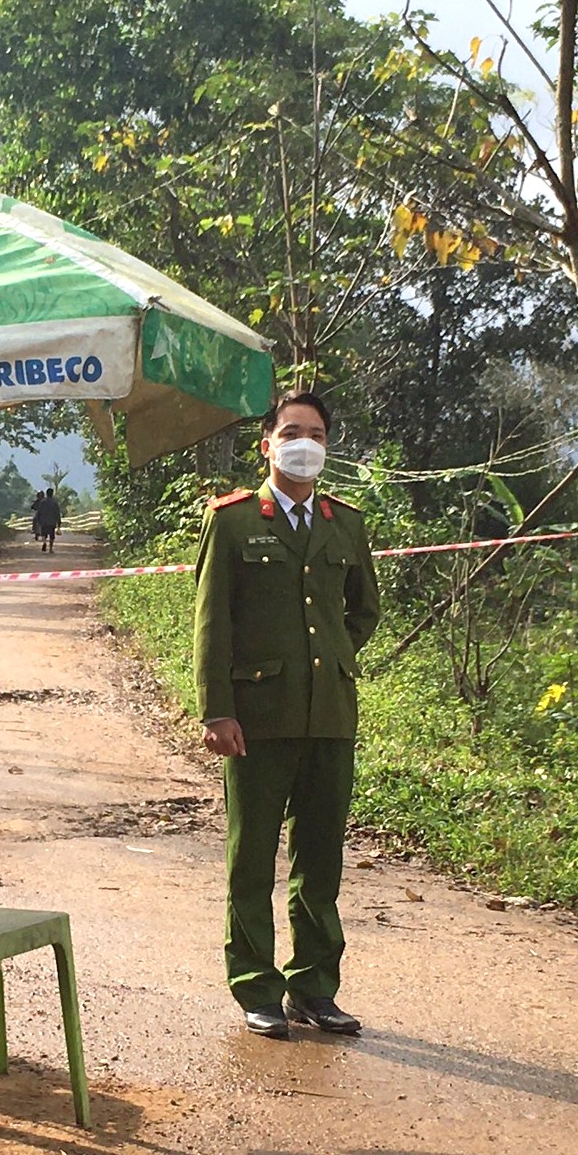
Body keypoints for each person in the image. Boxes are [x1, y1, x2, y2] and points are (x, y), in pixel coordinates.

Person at [193, 390, 381, 1039]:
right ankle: (256, 986)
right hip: (256, 719)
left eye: (317, 434)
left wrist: (330, 660)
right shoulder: (233, 521)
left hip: (329, 715)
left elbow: (363, 609)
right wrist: (217, 710)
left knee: (320, 859)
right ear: (267, 445)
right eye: (293, 432)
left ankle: (314, 988)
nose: (306, 444)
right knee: (252, 858)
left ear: (327, 447)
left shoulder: (345, 523)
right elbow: (212, 624)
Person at [33, 488, 62, 553]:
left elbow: (39, 512)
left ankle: (44, 542)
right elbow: (57, 513)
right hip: (52, 522)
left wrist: (38, 520)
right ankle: (50, 549)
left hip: (43, 521)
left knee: (43, 534)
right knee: (51, 536)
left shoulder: (42, 502)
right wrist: (59, 523)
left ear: (46, 493)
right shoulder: (55, 503)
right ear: (52, 494)